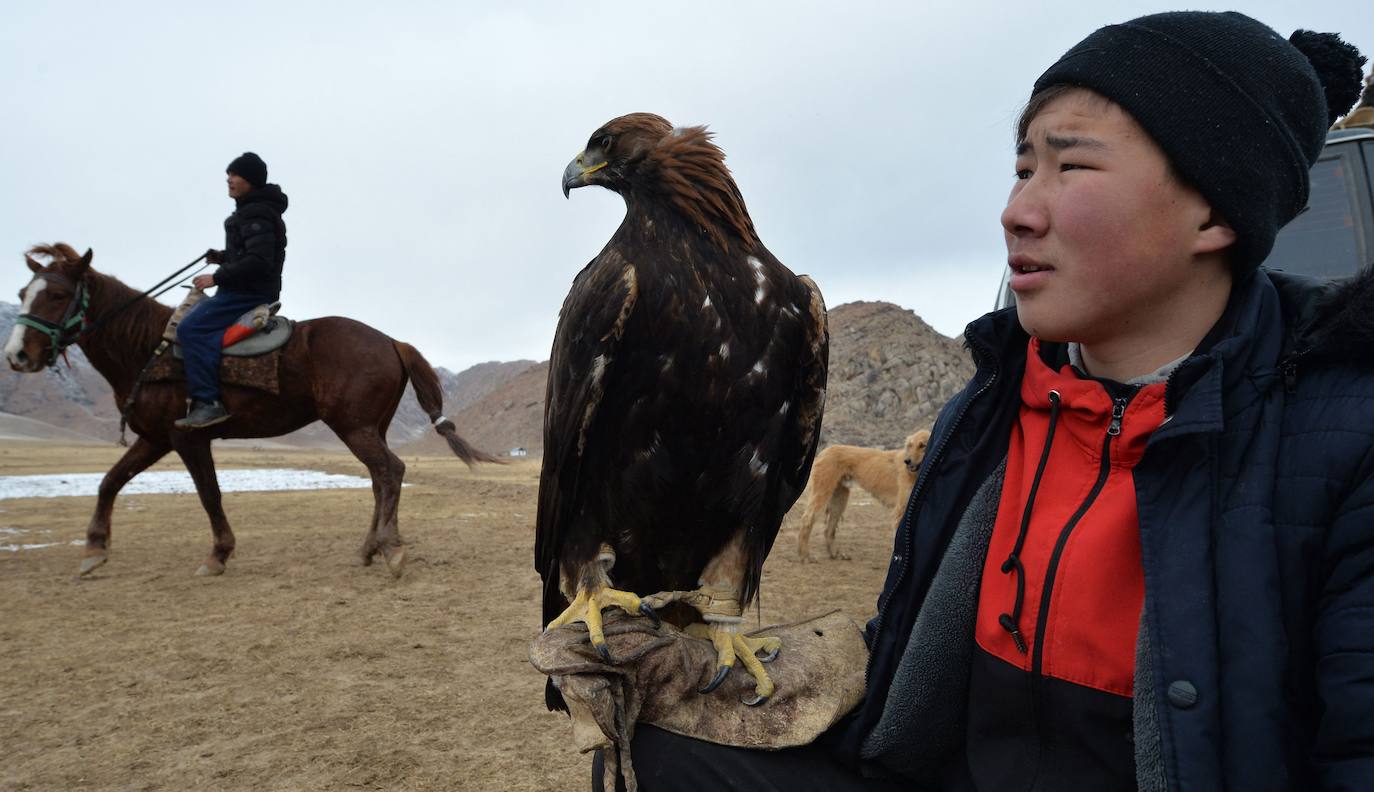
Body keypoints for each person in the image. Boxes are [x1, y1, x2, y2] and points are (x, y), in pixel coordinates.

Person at [590, 11, 1372, 791]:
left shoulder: (1340, 439)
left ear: (1217, 210)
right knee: (655, 754)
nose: (1017, 210)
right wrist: (777, 673)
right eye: (1024, 168)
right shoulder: (991, 410)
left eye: (1071, 169)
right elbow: (920, 669)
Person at [174, 152, 289, 429]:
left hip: (246, 293)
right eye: (229, 174)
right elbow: (251, 253)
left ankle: (208, 402)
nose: (229, 179)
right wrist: (224, 257)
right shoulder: (253, 210)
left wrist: (217, 277)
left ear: (250, 180)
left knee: (190, 329)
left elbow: (260, 261)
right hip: (243, 289)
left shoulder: (256, 212)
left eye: (235, 175)